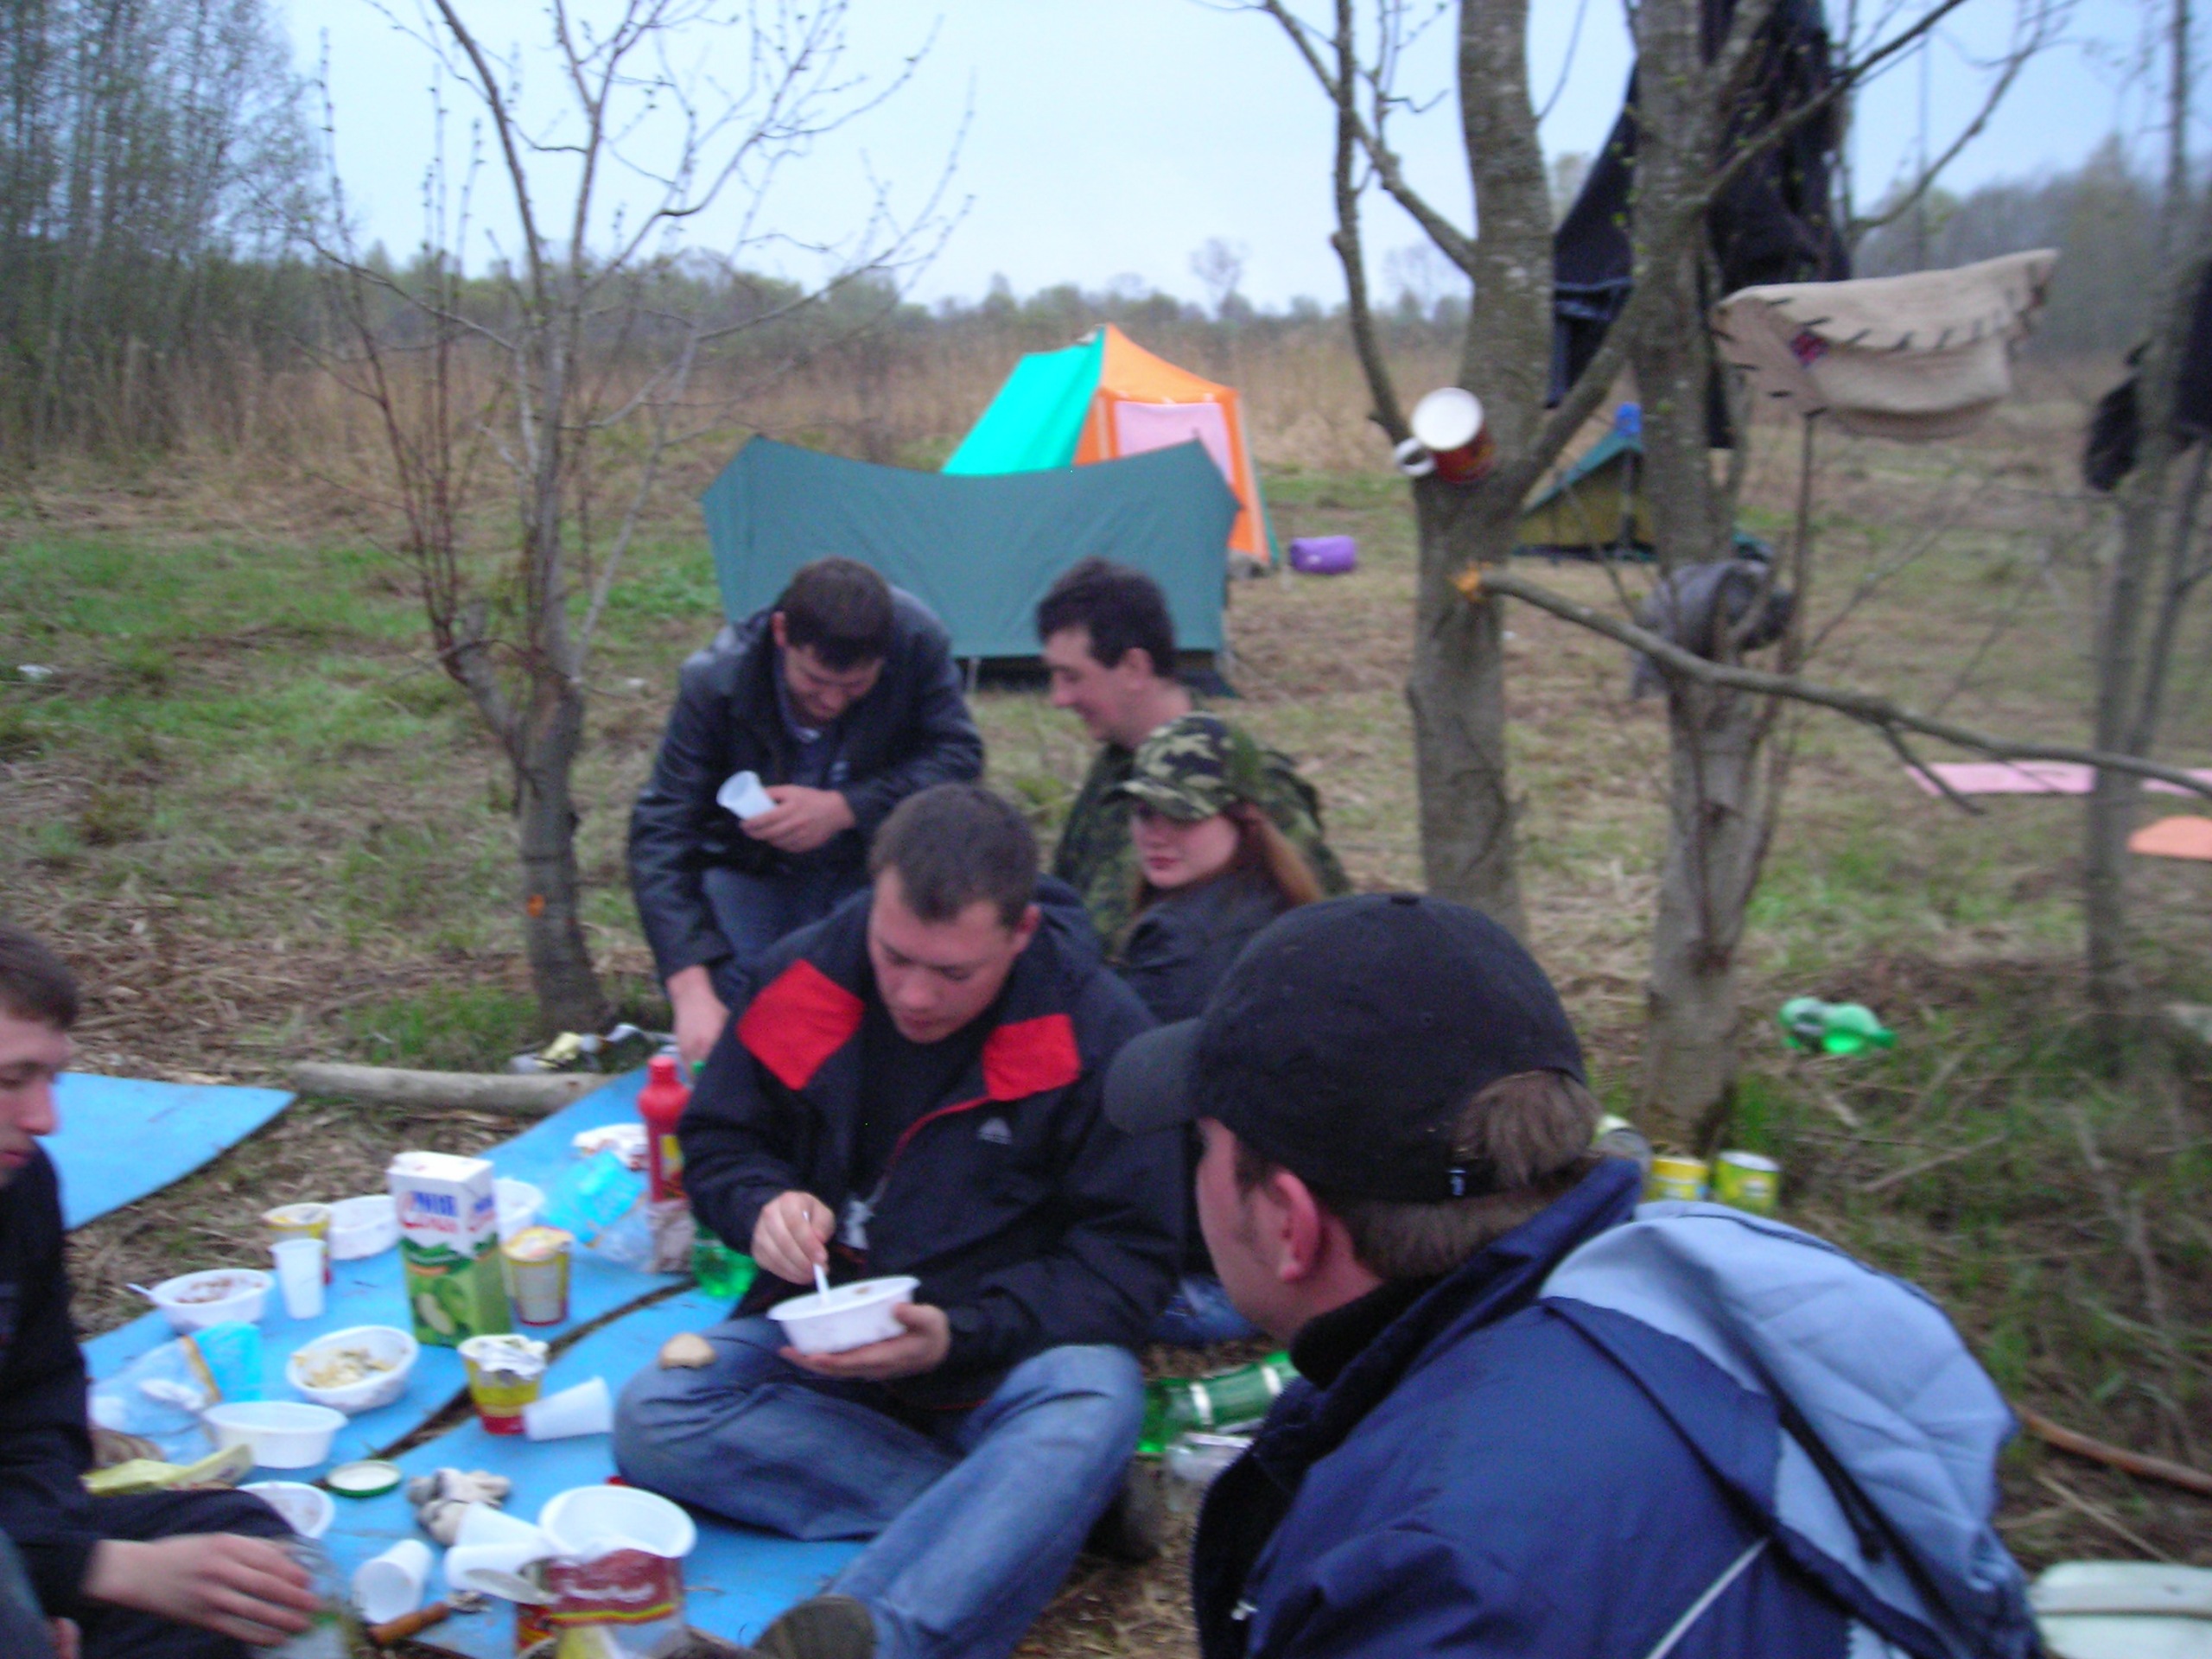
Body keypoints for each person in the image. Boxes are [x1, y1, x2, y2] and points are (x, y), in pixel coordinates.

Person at [1105, 894, 2037, 1659]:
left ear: (1288, 1223)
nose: (1196, 1173)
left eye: (1206, 1146)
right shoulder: (1716, 1294)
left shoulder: (1424, 1581)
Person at [613, 784, 1181, 1659]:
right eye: (895, 957)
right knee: (656, 1412)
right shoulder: (806, 977)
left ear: (1021, 933)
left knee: (1098, 1396)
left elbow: (1128, 1266)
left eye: (954, 973)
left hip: (999, 1365)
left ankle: (880, 1636)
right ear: (873, 901)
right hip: (820, 1356)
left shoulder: (1096, 1034)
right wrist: (761, 1206)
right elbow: (723, 1141)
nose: (915, 996)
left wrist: (960, 1333)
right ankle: (1046, 1506)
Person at [0, 924, 323, 1659]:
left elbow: (38, 1404)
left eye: (52, 1079)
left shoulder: (21, 1186)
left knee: (247, 1563)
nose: (45, 1119)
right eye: (10, 1082)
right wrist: (88, 1573)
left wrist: (53, 1571)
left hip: (19, 1541)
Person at [631, 557, 986, 1065]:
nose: (832, 701)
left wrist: (847, 808)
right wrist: (689, 991)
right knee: (741, 1005)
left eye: (856, 685)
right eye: (815, 681)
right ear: (782, 635)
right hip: (750, 865)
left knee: (870, 999)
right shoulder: (717, 682)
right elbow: (662, 831)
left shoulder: (915, 642)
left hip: (870, 862)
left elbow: (959, 760)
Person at [1109, 712, 1323, 1344]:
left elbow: (1119, 1106)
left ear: (1242, 819)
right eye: (1144, 812)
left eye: (1181, 815)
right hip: (1279, 1253)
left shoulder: (1184, 946)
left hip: (1214, 1281)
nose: (1156, 833)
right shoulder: (1280, 906)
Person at [1033, 556, 1346, 942]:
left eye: (1072, 677)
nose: (1059, 698)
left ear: (1133, 668)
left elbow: (1326, 929)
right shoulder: (1115, 770)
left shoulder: (1242, 780)